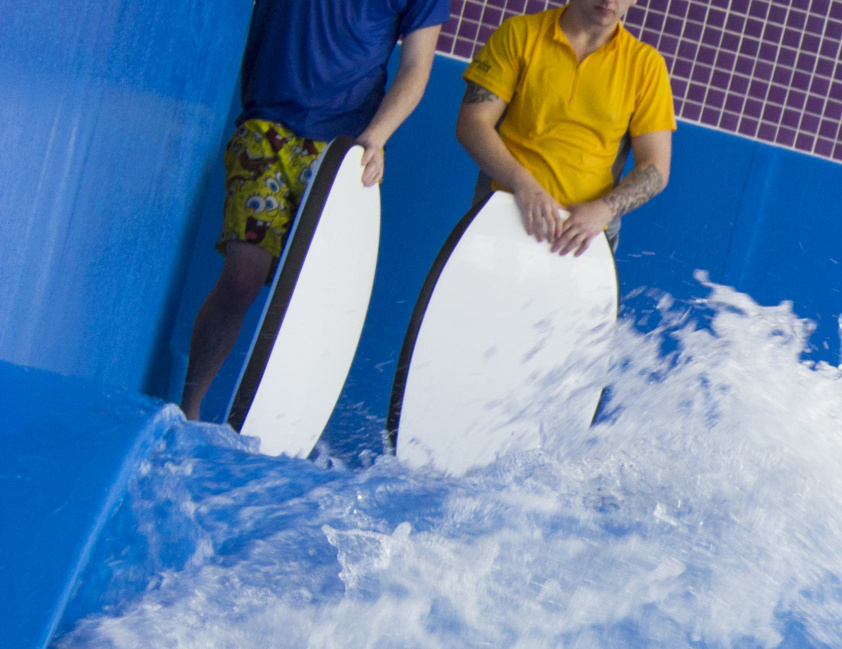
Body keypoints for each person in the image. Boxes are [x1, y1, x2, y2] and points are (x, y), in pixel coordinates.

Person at [180, 0, 447, 421]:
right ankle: (189, 407)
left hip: (343, 150)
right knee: (242, 277)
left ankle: (280, 424)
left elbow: (417, 68)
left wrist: (375, 138)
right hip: (267, 126)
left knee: (311, 298)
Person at [454, 0, 674, 257]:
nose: (609, 1)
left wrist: (602, 211)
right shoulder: (520, 33)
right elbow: (473, 123)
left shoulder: (646, 66)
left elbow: (656, 167)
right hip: (503, 212)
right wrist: (524, 185)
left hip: (584, 239)